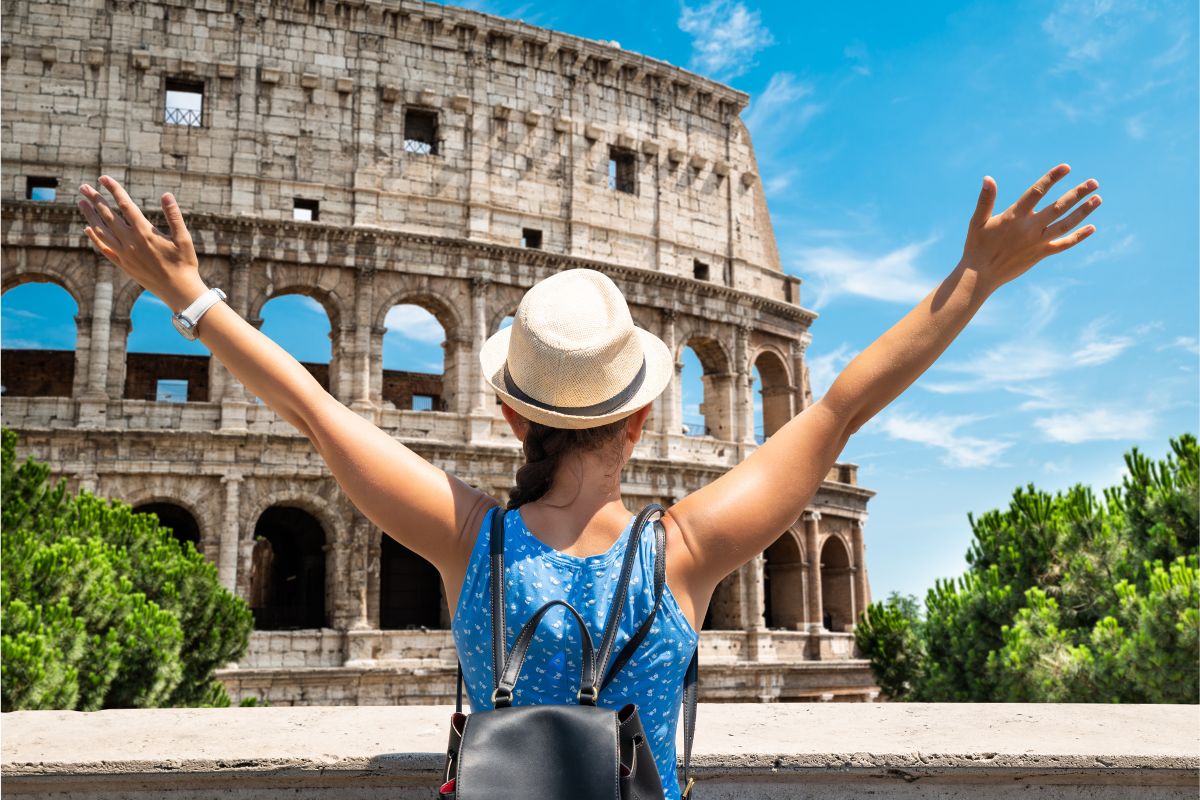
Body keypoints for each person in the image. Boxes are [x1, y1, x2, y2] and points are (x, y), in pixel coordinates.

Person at [76, 165, 1100, 798]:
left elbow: (317, 410)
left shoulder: (467, 536)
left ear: (515, 414)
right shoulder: (686, 550)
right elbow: (839, 409)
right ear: (645, 415)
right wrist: (975, 278)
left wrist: (196, 297)